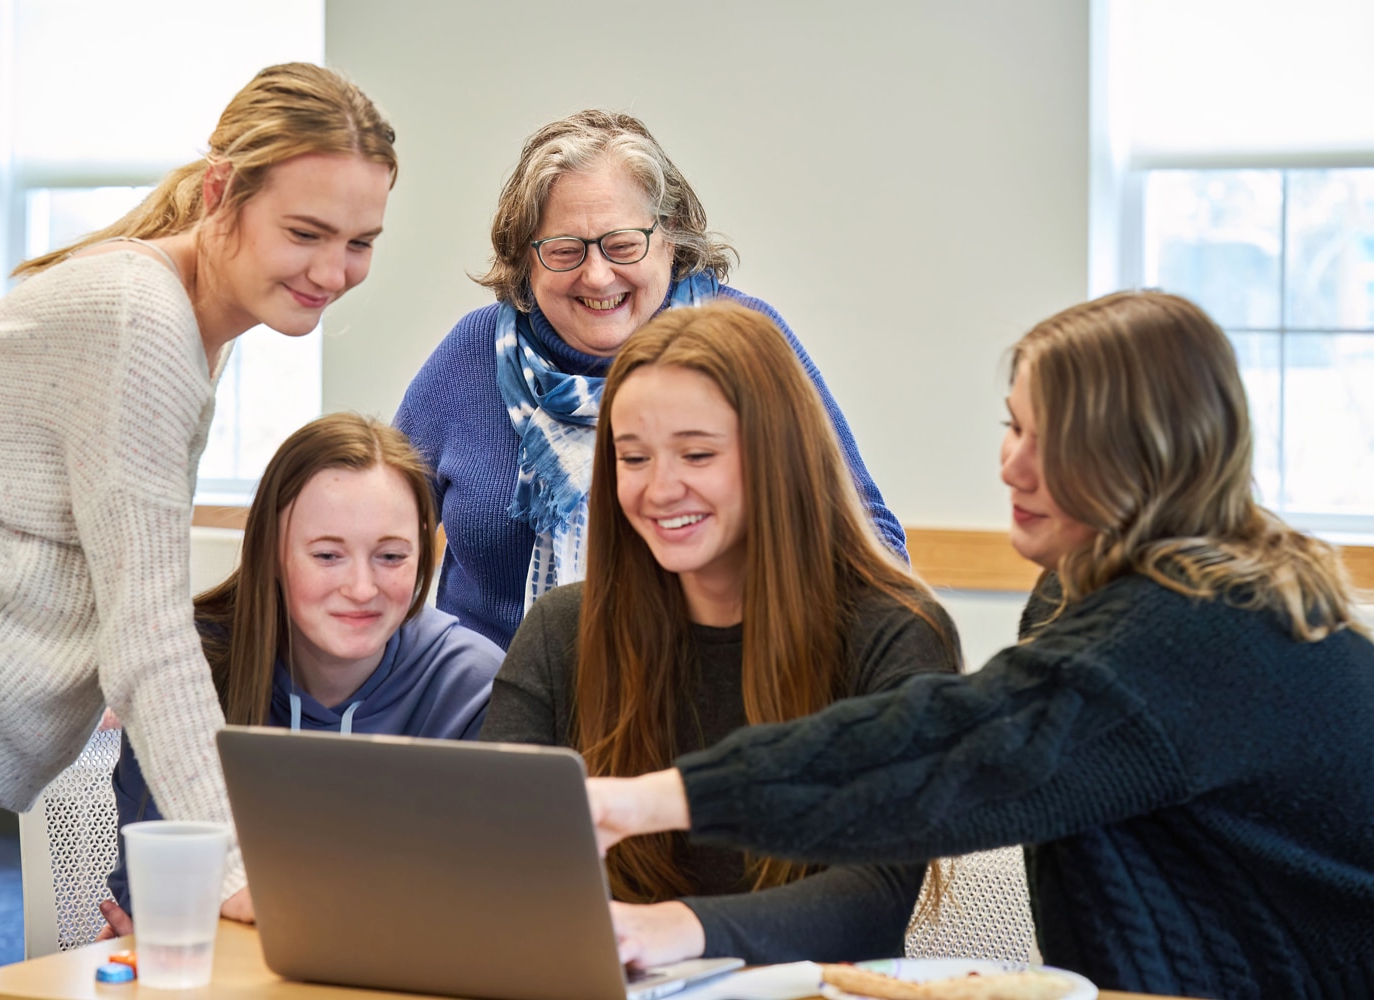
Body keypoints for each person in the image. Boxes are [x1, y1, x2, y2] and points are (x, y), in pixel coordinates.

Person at [585, 291, 1374, 998]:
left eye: (1052, 440)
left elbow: (942, 755)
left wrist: (642, 802)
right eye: (1014, 425)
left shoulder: (1203, 629)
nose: (1010, 465)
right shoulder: (1082, 595)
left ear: (1150, 458)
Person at [0, 62, 396, 993]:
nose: (332, 271)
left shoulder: (197, 318)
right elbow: (146, 631)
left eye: (360, 242)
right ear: (221, 193)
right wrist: (239, 872)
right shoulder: (142, 320)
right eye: (306, 233)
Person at [481, 302, 961, 967]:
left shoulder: (895, 631)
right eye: (633, 458)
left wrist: (669, 930)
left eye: (697, 454)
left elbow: (872, 898)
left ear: (780, 456)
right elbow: (498, 853)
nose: (659, 488)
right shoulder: (563, 629)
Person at [395, 110, 905, 649]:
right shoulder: (472, 356)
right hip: (492, 704)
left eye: (622, 245)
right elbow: (376, 533)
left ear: (671, 241)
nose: (596, 275)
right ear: (526, 258)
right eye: (565, 250)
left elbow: (870, 541)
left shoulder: (746, 346)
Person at [98, 413, 504, 934]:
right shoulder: (186, 671)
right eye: (328, 555)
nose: (361, 588)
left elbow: (480, 912)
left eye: (391, 555)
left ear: (424, 554)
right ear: (272, 553)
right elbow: (154, 889)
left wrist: (228, 904)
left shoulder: (471, 685)